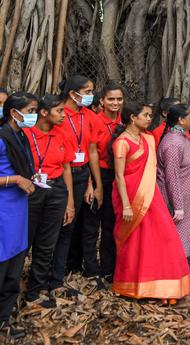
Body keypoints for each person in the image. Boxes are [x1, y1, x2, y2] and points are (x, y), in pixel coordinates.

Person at [110, 102, 190, 303]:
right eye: (145, 115)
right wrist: (127, 205)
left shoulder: (148, 139)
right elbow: (119, 177)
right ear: (132, 118)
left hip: (151, 195)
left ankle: (164, 286)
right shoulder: (122, 142)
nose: (149, 119)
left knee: (161, 238)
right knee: (136, 241)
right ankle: (133, 284)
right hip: (131, 196)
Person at [23, 95, 75, 308]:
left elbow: (66, 168)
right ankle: (13, 284)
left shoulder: (62, 133)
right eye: (60, 111)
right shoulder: (26, 134)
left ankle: (37, 289)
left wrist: (70, 201)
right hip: (31, 189)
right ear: (44, 113)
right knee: (25, 238)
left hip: (56, 189)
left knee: (47, 241)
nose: (64, 115)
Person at [54, 75, 102, 295]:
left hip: (82, 174)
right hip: (63, 174)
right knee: (63, 224)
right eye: (88, 91)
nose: (91, 96)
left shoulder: (89, 116)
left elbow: (92, 150)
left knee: (76, 224)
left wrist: (94, 183)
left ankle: (67, 269)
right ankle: (54, 274)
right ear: (73, 93)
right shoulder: (59, 114)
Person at [78, 82, 125, 284]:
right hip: (99, 175)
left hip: (118, 177)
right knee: (91, 224)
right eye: (111, 99)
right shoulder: (94, 120)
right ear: (102, 101)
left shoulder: (126, 121)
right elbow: (90, 155)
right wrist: (93, 185)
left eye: (119, 99)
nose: (115, 103)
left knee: (110, 224)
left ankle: (109, 268)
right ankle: (90, 266)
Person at [0, 92, 37, 340]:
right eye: (31, 110)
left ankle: (4, 319)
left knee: (14, 268)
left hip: (18, 209)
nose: (34, 115)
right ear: (15, 113)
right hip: (3, 210)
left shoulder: (20, 136)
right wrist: (15, 179)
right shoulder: (2, 139)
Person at [156, 104, 190, 258]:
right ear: (181, 120)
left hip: (186, 198)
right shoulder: (173, 143)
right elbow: (171, 177)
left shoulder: (181, 138)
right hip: (175, 203)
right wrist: (178, 207)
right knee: (175, 242)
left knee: (184, 240)